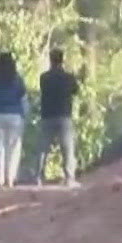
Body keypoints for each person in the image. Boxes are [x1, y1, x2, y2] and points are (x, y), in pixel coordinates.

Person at [0, 51, 29, 189]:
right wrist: (24, 115)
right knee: (13, 149)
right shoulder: (17, 79)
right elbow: (24, 100)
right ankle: (11, 179)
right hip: (15, 116)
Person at [35, 48, 81, 187]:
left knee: (43, 148)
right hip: (64, 115)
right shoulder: (68, 77)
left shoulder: (44, 77)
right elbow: (76, 90)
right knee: (67, 148)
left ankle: (38, 177)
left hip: (47, 114)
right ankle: (69, 177)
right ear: (62, 60)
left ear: (50, 60)